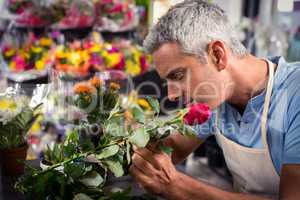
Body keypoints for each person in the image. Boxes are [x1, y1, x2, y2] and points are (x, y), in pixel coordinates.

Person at [129, 1, 300, 199]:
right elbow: (171, 149)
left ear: (217, 55)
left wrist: (175, 185)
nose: (172, 95)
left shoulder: (294, 93)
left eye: (177, 75)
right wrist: (129, 142)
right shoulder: (216, 98)